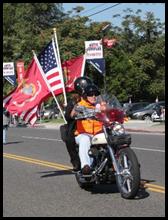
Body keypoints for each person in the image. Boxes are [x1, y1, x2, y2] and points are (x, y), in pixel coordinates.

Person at [70, 84, 107, 174]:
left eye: (95, 94)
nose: (93, 96)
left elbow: (111, 112)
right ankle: (86, 166)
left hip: (99, 133)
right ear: (86, 96)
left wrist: (109, 110)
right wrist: (76, 110)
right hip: (83, 133)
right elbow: (72, 114)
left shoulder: (100, 105)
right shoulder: (80, 104)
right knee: (84, 139)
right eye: (91, 94)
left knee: (113, 137)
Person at [63, 76, 93, 171]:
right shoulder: (74, 103)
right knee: (81, 139)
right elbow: (69, 116)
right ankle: (83, 165)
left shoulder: (95, 99)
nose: (92, 95)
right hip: (78, 129)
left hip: (96, 128)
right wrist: (76, 113)